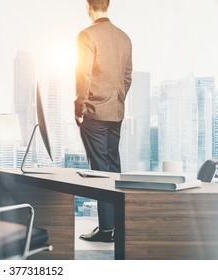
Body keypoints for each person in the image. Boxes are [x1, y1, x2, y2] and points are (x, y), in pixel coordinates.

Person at [75, 0, 132, 242]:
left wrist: (79, 108)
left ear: (89, 7)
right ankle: (117, 227)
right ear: (107, 5)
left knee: (99, 171)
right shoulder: (123, 37)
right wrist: (116, 100)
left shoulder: (87, 35)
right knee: (113, 168)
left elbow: (83, 74)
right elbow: (127, 77)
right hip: (116, 112)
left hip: (94, 112)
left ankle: (107, 230)